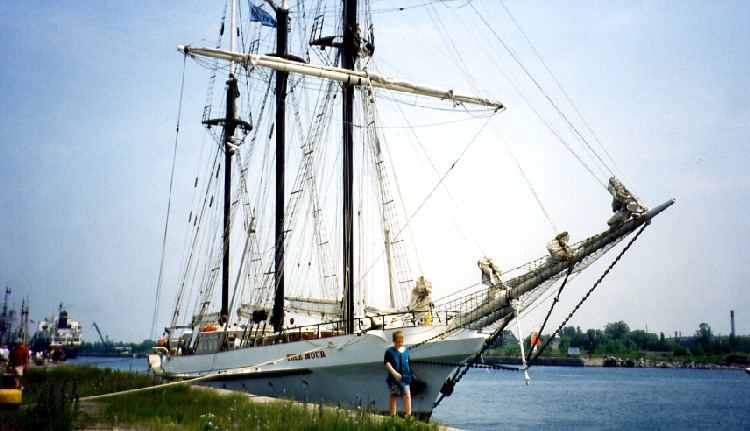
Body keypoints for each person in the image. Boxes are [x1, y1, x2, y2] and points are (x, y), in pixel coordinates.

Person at [384, 330, 412, 416]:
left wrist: (410, 373)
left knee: (407, 395)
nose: (400, 344)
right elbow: (387, 363)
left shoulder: (405, 351)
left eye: (401, 342)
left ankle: (408, 416)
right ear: (394, 341)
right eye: (398, 342)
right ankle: (393, 416)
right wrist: (394, 373)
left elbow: (408, 363)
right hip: (394, 379)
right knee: (394, 397)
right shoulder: (389, 352)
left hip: (405, 378)